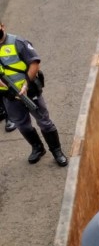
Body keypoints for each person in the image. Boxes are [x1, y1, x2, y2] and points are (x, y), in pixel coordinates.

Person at [0, 22, 67, 165]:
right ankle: (37, 148)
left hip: (28, 91)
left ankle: (56, 151)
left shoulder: (17, 42)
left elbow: (35, 63)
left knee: (44, 122)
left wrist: (25, 84)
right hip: (10, 96)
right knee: (22, 124)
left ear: (2, 26)